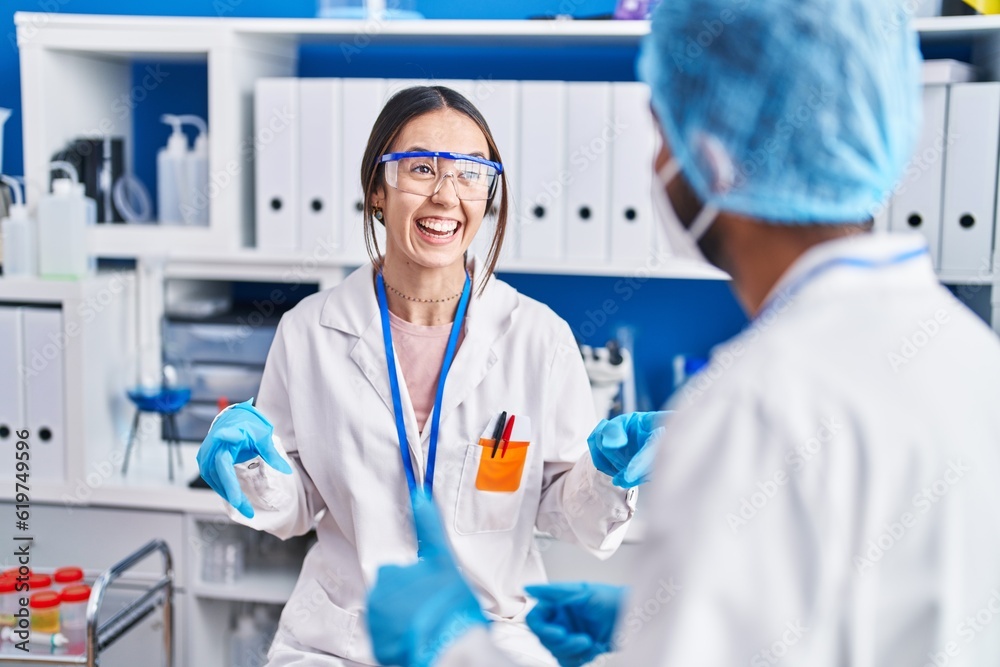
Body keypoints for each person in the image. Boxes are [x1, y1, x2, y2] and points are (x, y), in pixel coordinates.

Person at [364, 1, 1000, 666]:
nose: (658, 161)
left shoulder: (754, 404)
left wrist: (450, 645)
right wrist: (653, 630)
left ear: (714, 155)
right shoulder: (971, 357)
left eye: (663, 128)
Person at [196, 85, 664, 666]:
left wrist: (610, 473)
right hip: (342, 643)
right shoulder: (309, 331)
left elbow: (560, 510)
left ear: (488, 193)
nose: (446, 196)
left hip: (491, 634)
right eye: (420, 169)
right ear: (376, 190)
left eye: (470, 173)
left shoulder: (537, 337)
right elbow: (297, 504)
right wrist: (250, 466)